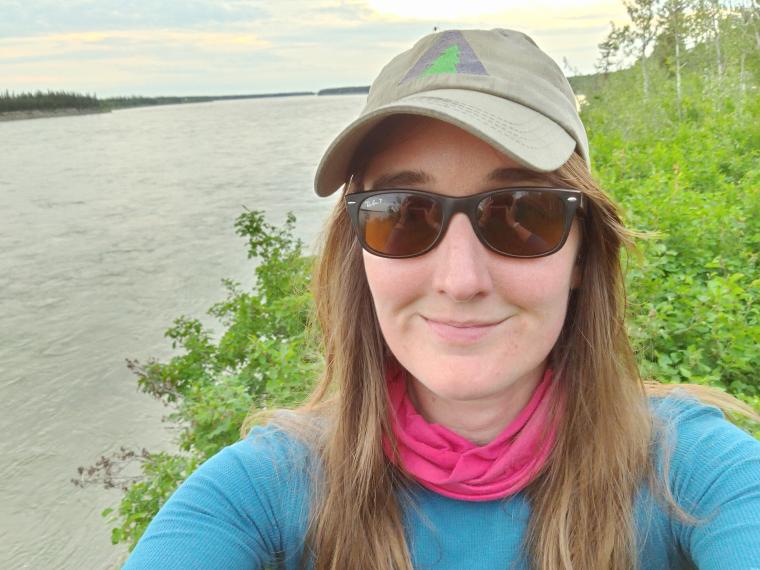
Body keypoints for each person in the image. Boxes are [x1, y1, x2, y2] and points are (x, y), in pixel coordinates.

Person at [124, 29, 760, 569]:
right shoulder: (264, 490)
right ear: (359, 254)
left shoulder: (693, 471)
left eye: (522, 214)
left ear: (583, 254)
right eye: (402, 216)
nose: (461, 279)